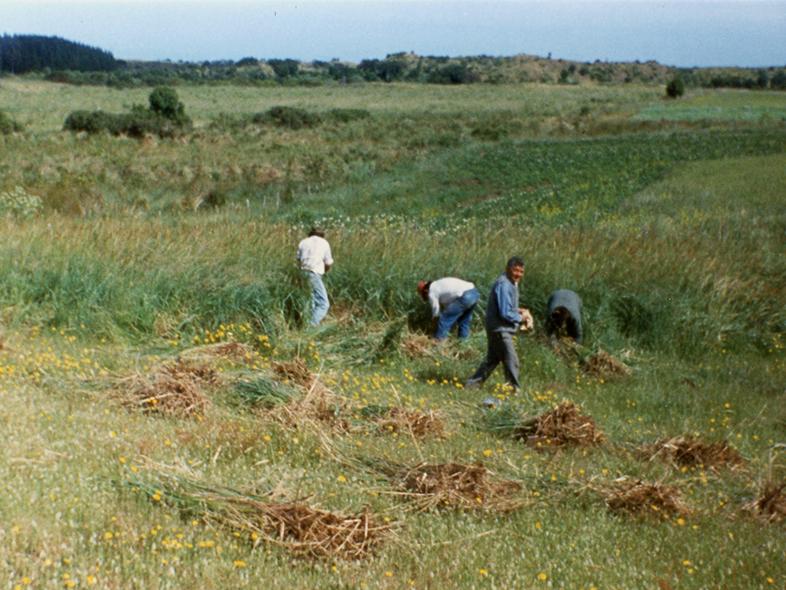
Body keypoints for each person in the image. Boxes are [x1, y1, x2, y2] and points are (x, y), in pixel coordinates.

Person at [465, 256, 529, 394]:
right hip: (500, 328)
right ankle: (513, 390)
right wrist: (521, 318)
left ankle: (472, 385)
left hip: (499, 327)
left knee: (493, 359)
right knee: (511, 359)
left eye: (521, 272)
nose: (518, 274)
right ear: (508, 269)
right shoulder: (504, 284)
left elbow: (507, 307)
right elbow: (505, 312)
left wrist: (519, 310)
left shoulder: (511, 283)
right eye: (515, 270)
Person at [297, 227, 334, 326]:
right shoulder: (324, 243)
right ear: (322, 235)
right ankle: (311, 325)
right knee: (323, 304)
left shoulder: (303, 242)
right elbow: (328, 262)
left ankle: (305, 323)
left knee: (311, 302)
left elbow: (299, 261)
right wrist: (325, 271)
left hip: (303, 272)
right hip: (314, 273)